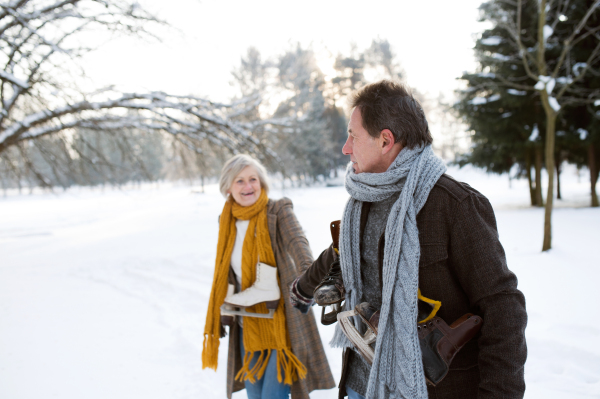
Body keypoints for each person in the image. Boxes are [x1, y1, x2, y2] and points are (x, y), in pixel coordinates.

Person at [290, 80, 527, 399]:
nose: (346, 148)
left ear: (385, 140)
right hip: (362, 385)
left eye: (352, 136)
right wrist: (312, 287)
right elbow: (342, 258)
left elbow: (503, 306)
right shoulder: (362, 199)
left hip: (431, 390)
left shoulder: (455, 205)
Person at [202, 154, 335, 399]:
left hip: (283, 321)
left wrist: (309, 274)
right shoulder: (226, 221)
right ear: (228, 187)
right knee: (255, 396)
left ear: (262, 182)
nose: (248, 186)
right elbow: (228, 272)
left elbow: (298, 242)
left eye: (253, 179)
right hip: (249, 322)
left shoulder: (277, 210)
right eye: (239, 181)